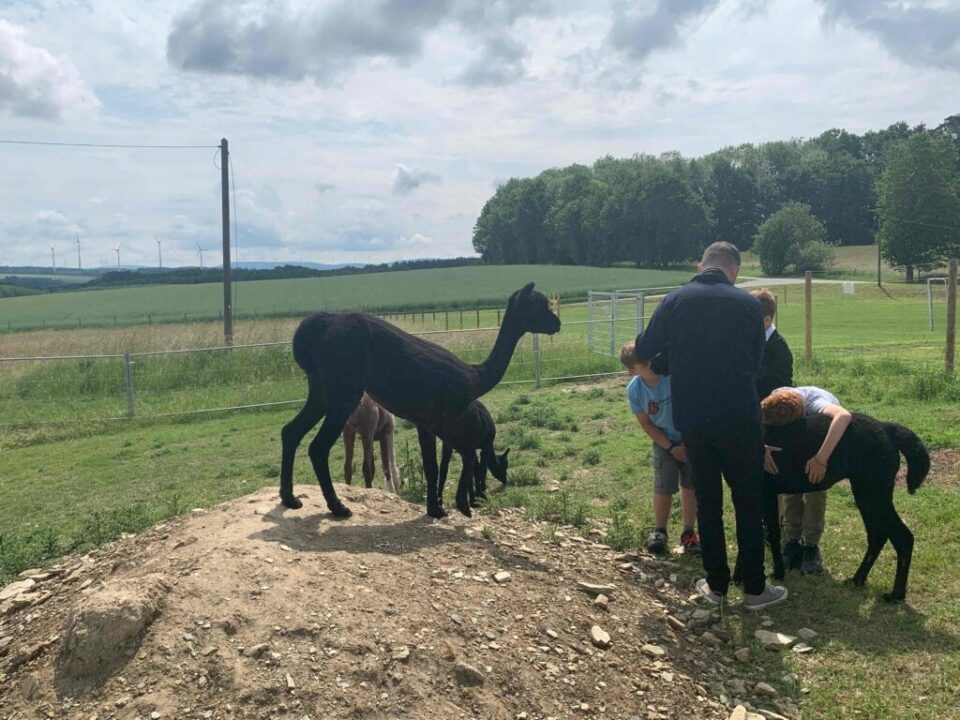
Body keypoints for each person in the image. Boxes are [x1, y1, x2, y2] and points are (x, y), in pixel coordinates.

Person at [635, 241, 788, 611]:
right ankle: (754, 589)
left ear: (700, 265)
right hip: (740, 416)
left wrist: (672, 353)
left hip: (694, 419)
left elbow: (643, 347)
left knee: (708, 501)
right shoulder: (751, 305)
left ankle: (716, 586)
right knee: (748, 501)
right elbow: (755, 361)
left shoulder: (675, 300)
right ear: (734, 270)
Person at [619, 341, 700, 556]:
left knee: (691, 485)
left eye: (651, 359)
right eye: (644, 363)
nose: (651, 365)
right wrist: (671, 447)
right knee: (663, 487)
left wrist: (687, 443)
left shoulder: (672, 376)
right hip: (664, 442)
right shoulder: (635, 391)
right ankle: (660, 531)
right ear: (632, 371)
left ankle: (689, 533)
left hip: (690, 438)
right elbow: (646, 423)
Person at [763, 386, 852, 575]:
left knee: (815, 488)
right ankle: (792, 540)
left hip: (821, 437)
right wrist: (763, 446)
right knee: (790, 488)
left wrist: (821, 459)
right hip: (796, 437)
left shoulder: (815, 404)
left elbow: (843, 416)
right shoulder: (772, 402)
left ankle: (811, 545)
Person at [751, 289, 793, 400]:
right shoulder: (756, 341)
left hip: (773, 406)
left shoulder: (778, 348)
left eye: (751, 319)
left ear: (767, 320)